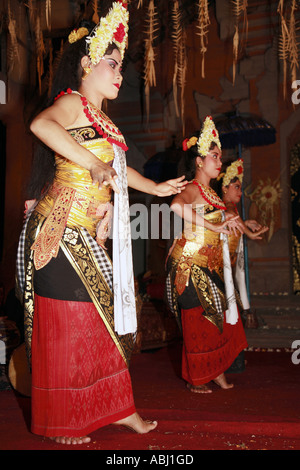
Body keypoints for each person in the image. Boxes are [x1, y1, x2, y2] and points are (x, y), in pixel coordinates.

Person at [15, 1, 187, 445]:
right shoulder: (70, 103)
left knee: (108, 322)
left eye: (120, 66)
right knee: (70, 323)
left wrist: (155, 187)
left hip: (85, 235)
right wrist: (92, 164)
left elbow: (119, 169)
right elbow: (41, 126)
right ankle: (65, 418)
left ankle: (118, 408)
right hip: (58, 233)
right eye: (112, 63)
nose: (119, 74)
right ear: (87, 64)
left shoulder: (105, 122)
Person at [165, 116, 248, 394]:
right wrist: (214, 224)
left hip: (210, 264)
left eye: (220, 156)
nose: (219, 161)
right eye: (214, 156)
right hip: (189, 265)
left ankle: (216, 372)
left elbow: (224, 223)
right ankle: (197, 377)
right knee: (201, 319)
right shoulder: (192, 188)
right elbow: (176, 207)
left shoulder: (212, 194)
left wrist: (239, 226)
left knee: (220, 317)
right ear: (199, 161)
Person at [216, 159, 268, 328]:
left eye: (240, 187)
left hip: (228, 271)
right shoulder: (228, 207)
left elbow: (235, 220)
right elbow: (233, 217)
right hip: (222, 271)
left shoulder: (229, 208)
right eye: (236, 187)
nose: (240, 191)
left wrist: (246, 224)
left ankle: (245, 312)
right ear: (225, 188)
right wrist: (249, 233)